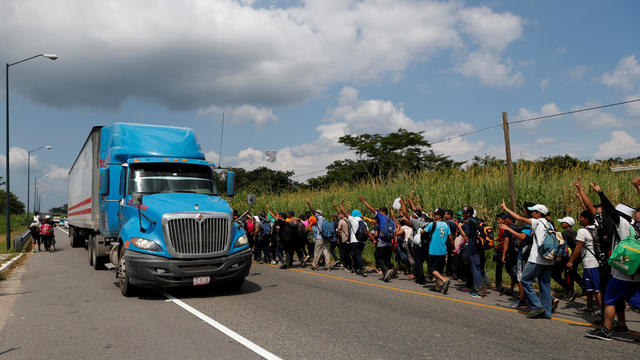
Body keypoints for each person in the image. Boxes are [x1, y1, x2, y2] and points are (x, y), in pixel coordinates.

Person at [585, 180, 640, 340]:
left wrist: (600, 193)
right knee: (636, 302)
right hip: (636, 271)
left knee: (610, 299)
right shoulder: (635, 227)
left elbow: (609, 209)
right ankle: (620, 325)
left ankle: (606, 330)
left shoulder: (621, 223)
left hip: (622, 273)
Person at [501, 200, 554, 319]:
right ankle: (547, 312)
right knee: (545, 285)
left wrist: (506, 208)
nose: (531, 214)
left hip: (537, 258)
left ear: (539, 213)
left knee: (525, 280)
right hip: (549, 258)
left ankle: (537, 306)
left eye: (533, 212)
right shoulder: (549, 224)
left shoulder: (538, 222)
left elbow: (519, 218)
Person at [566, 211, 601, 315]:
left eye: (581, 217)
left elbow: (578, 248)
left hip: (591, 263)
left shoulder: (582, 231)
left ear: (586, 219)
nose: (579, 219)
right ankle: (589, 305)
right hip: (594, 262)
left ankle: (602, 310)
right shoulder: (597, 227)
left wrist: (571, 261)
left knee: (596, 288)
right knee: (589, 286)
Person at [359, 195, 394, 281]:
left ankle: (386, 270)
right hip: (389, 242)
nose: (379, 213)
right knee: (385, 258)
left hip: (382, 242)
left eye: (380, 211)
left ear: (383, 212)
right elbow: (394, 232)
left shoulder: (381, 217)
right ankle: (386, 274)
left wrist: (364, 201)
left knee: (378, 258)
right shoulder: (391, 220)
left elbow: (372, 209)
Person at [422, 209, 452, 294]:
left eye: (436, 215)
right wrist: (452, 246)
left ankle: (444, 280)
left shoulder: (433, 224)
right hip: (442, 250)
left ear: (439, 216)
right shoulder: (446, 225)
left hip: (433, 250)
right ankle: (437, 286)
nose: (435, 216)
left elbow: (423, 232)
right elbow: (450, 238)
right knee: (438, 269)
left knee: (431, 269)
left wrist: (420, 231)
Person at [306, 201, 332, 271]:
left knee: (317, 252)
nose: (315, 214)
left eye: (317, 213)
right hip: (325, 238)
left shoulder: (319, 218)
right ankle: (328, 266)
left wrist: (309, 204)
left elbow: (312, 211)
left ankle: (314, 265)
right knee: (326, 252)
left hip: (319, 238)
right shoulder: (325, 220)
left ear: (319, 214)